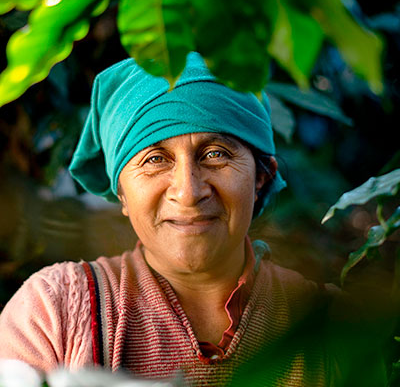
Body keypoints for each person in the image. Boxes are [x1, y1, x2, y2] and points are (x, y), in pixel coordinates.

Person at [0, 53, 389, 386]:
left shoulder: (333, 328)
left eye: (216, 154)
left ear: (261, 177)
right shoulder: (54, 312)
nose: (188, 191)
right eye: (155, 159)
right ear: (121, 192)